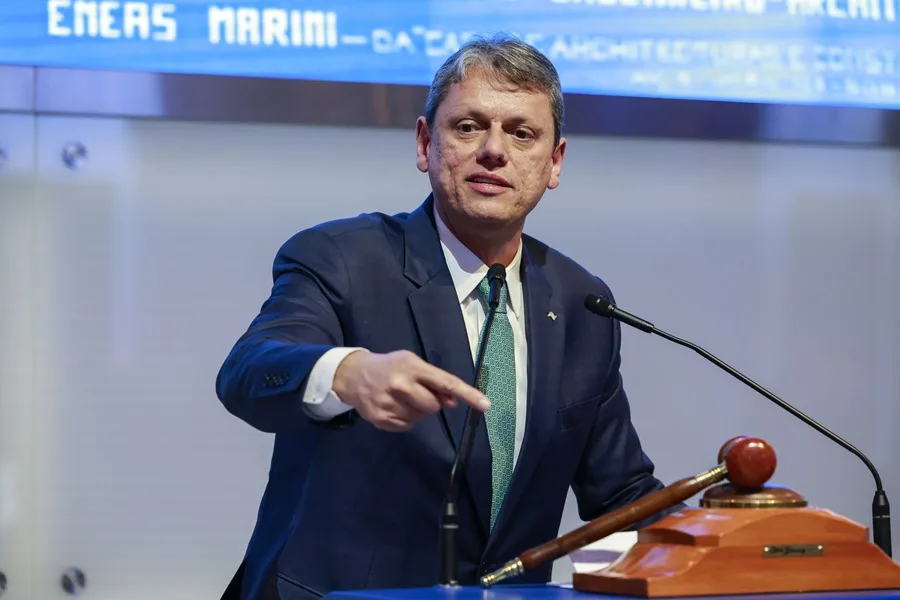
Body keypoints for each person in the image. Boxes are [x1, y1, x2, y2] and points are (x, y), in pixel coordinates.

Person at [216, 34, 674, 600]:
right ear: (424, 142)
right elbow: (248, 373)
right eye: (468, 127)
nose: (493, 150)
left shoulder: (583, 302)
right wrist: (345, 373)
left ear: (554, 162)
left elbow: (621, 498)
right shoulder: (342, 259)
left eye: (521, 133)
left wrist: (716, 545)